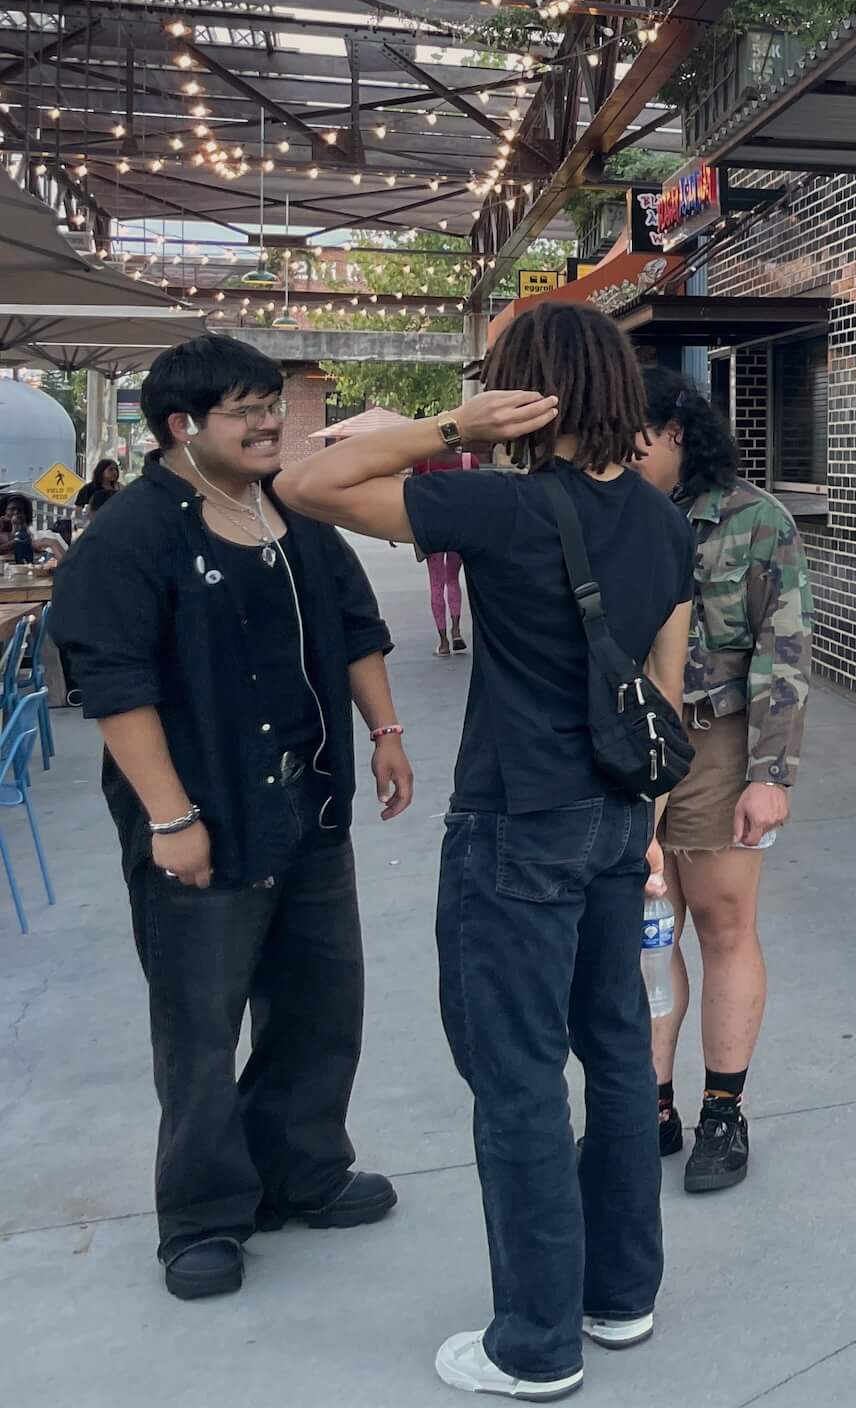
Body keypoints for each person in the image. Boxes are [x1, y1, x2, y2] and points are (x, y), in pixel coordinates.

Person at [279, 302, 691, 1402]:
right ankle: (620, 1294)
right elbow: (668, 685)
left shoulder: (498, 504)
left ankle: (535, 1342)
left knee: (512, 1079)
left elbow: (305, 488)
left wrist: (443, 425)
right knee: (612, 1052)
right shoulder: (659, 518)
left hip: (518, 820)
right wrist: (647, 830)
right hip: (617, 814)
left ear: (522, 389)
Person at [51, 335, 414, 1302]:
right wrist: (170, 819)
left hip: (310, 799)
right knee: (200, 1025)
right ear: (183, 426)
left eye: (272, 405)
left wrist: (384, 729)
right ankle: (204, 1218)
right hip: (202, 812)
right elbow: (114, 687)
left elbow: (358, 624)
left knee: (318, 1003)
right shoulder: (130, 536)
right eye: (247, 409)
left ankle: (304, 1170)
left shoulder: (292, 516)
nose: (270, 424)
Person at [633, 365, 808, 1193]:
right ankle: (651, 1107)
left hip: (715, 741)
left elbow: (786, 651)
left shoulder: (755, 521)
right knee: (642, 928)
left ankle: (724, 1111)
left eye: (633, 437)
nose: (617, 452)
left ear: (676, 431)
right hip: (622, 751)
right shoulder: (606, 513)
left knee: (721, 924)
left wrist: (770, 774)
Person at [411, 445, 477, 657]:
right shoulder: (469, 462)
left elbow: (412, 497)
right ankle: (456, 630)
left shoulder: (424, 463)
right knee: (452, 581)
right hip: (460, 530)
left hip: (433, 531)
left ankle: (443, 642)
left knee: (436, 585)